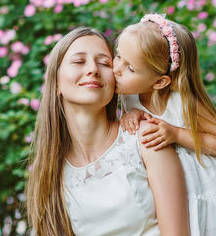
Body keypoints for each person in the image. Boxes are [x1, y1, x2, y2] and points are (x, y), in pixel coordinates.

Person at [26, 27, 189, 236]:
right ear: (56, 82)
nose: (93, 69)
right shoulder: (52, 169)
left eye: (104, 63)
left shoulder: (146, 138)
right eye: (78, 61)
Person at [113, 13, 216, 235]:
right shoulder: (130, 95)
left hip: (206, 184)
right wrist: (132, 114)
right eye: (118, 56)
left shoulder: (183, 101)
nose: (116, 69)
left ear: (160, 82)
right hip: (173, 188)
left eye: (130, 68)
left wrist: (175, 134)